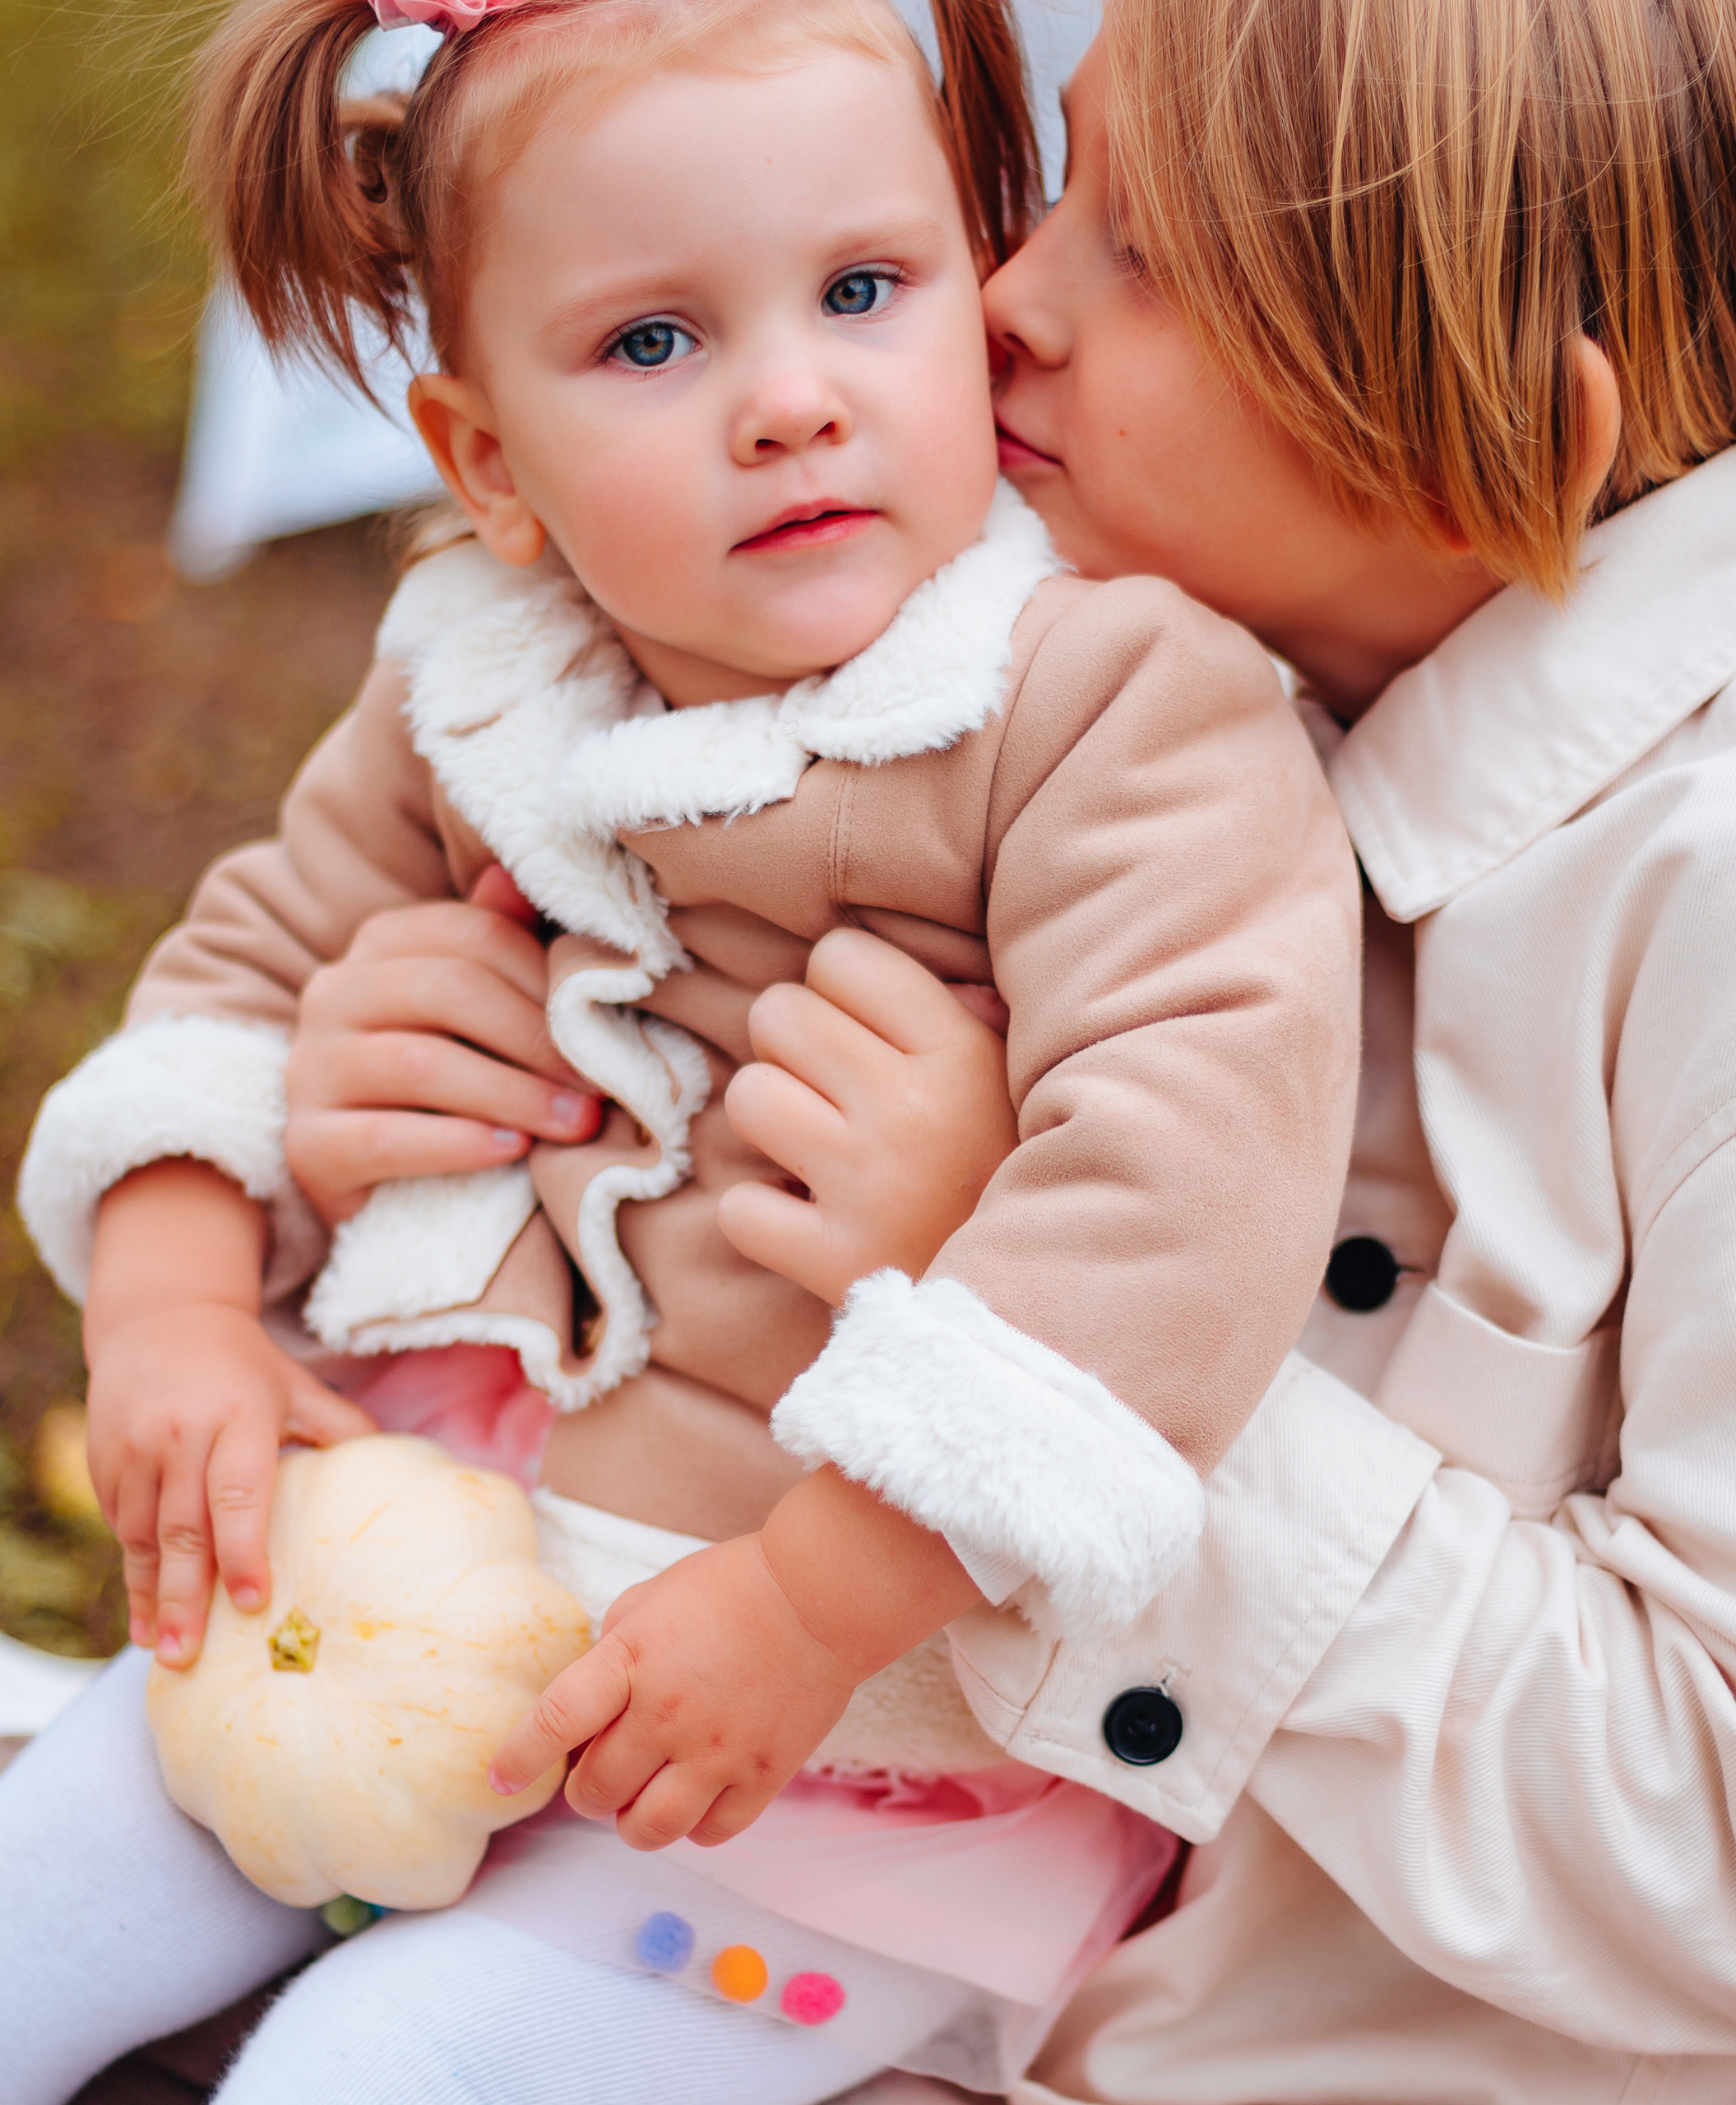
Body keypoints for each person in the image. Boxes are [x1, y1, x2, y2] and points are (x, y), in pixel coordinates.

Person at [221, 1, 1736, 2098]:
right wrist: (390, 1118)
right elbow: (651, 1238)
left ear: (1494, 423)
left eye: (1141, 255)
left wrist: (1045, 1333)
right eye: (1052, 187)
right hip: (770, 1903)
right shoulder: (1078, 680)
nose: (999, 294)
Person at [0, 0, 1363, 2096]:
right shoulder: (486, 663)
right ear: (484, 462)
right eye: (653, 344)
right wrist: (175, 1300)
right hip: (414, 1559)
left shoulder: (1102, 704)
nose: (789, 401)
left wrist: (812, 1608)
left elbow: (1185, 1180)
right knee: (44, 1885)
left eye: (859, 291)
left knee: (376, 2073)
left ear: (973, 293)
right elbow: (255, 959)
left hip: (835, 1736)